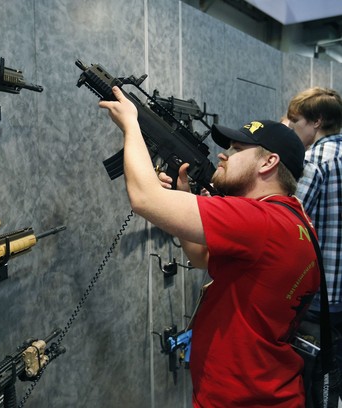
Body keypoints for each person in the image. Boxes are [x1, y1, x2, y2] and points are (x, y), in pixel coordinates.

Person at [99, 86, 320, 407]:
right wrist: (188, 200)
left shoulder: (259, 220)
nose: (223, 155)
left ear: (268, 162)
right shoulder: (291, 217)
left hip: (243, 398)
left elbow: (145, 198)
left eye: (236, 149)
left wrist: (132, 125)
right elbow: (201, 257)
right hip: (265, 389)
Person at [287, 86, 342, 406]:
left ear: (317, 121)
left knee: (314, 389)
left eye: (297, 122)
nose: (294, 130)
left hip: (319, 299)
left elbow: (290, 221)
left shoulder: (315, 160)